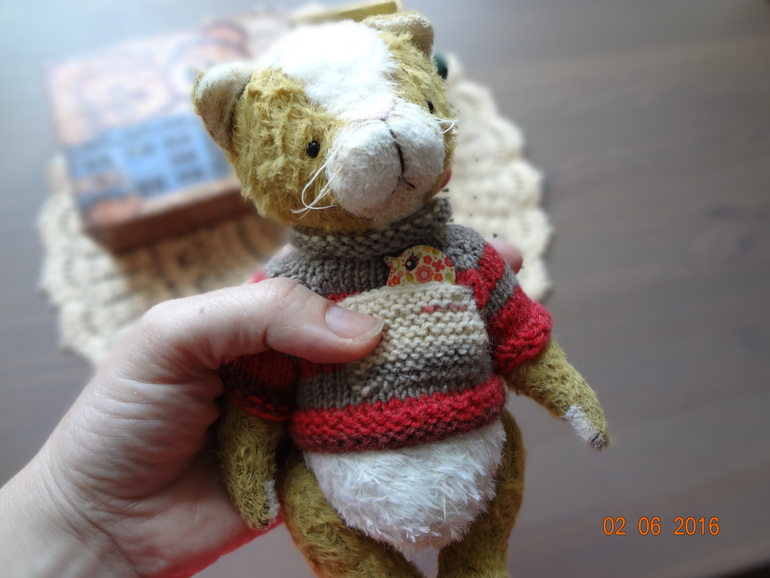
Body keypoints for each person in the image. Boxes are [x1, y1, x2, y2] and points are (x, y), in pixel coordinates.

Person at [0, 245, 522, 577]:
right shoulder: (291, 284)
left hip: (469, 443)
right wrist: (79, 514)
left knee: (502, 468)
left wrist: (79, 519)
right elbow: (258, 396)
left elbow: (519, 331)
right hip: (332, 471)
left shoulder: (462, 255)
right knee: (314, 509)